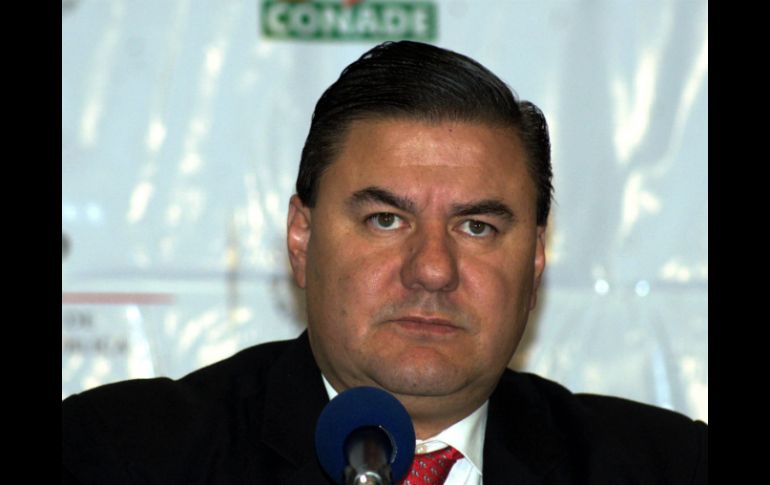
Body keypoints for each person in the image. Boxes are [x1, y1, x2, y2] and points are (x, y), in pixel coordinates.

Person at [62, 40, 707, 484]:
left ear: (535, 261)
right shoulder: (123, 457)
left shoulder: (670, 466)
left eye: (477, 227)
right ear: (301, 238)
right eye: (386, 220)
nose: (433, 270)